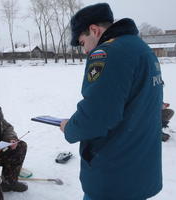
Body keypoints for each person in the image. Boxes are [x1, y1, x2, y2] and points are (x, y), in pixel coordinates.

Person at [60, 3, 163, 200]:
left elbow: (96, 117)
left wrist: (69, 128)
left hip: (114, 175)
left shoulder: (108, 53)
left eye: (82, 43)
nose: (84, 51)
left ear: (94, 30)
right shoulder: (141, 48)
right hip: (139, 168)